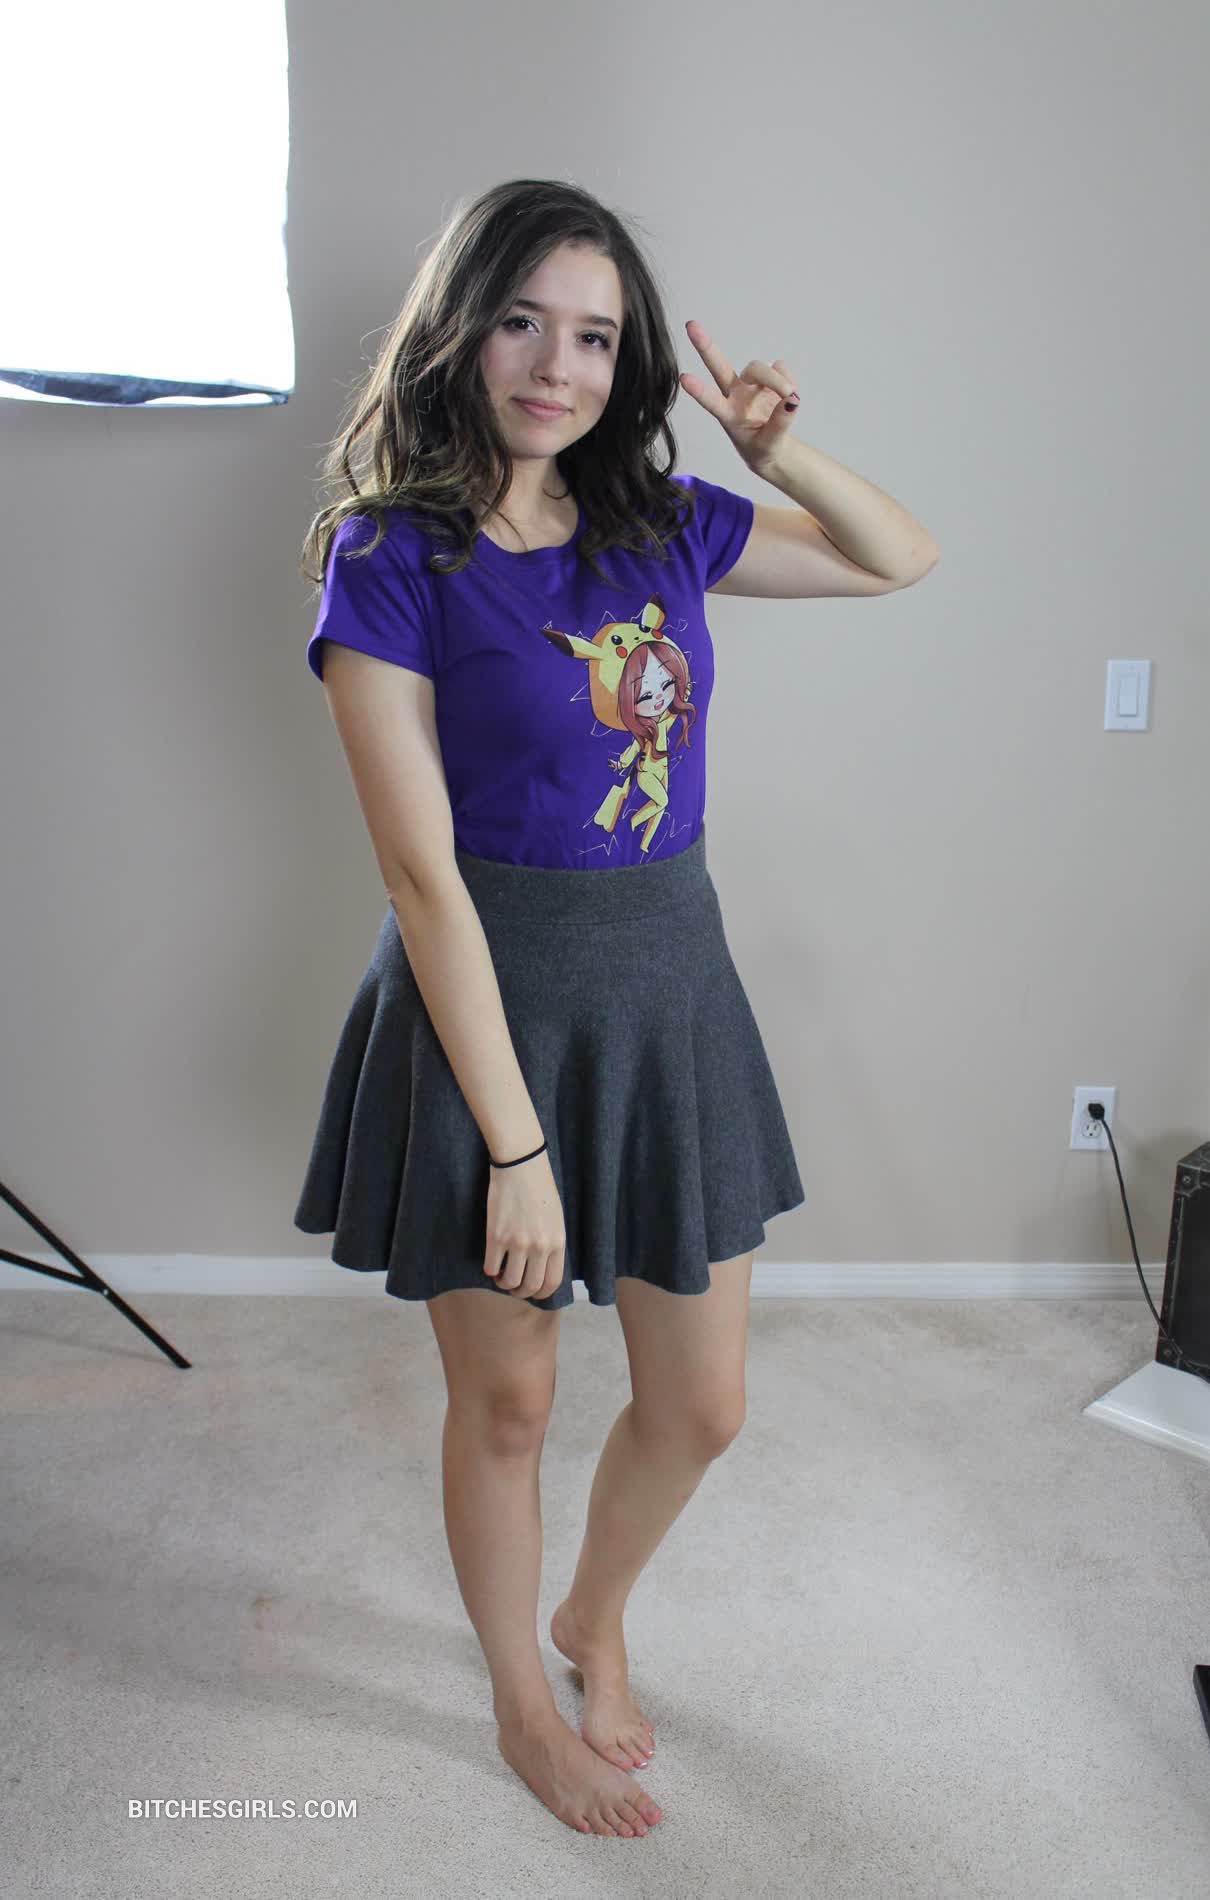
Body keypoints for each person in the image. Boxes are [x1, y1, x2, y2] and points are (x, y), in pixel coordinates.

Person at [292, 177, 936, 1841]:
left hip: (667, 989)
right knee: (509, 1402)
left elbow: (900, 559)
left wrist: (775, 451)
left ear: (626, 361)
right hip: (485, 1003)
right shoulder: (390, 557)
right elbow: (420, 877)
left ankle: (593, 1615)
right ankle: (523, 1701)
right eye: (523, 321)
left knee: (703, 1403)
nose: (556, 366)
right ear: (462, 331)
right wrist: (513, 1150)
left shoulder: (664, 521)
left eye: (593, 336)